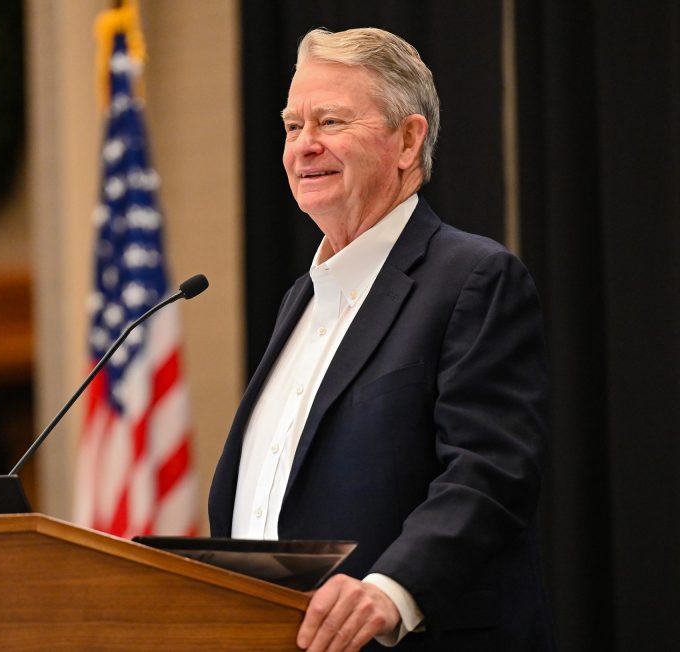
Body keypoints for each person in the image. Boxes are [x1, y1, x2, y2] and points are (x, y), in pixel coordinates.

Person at [208, 27, 553, 651]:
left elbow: (490, 470)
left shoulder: (471, 279)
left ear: (408, 139)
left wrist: (389, 592)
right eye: (291, 127)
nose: (304, 146)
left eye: (331, 121)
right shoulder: (300, 300)